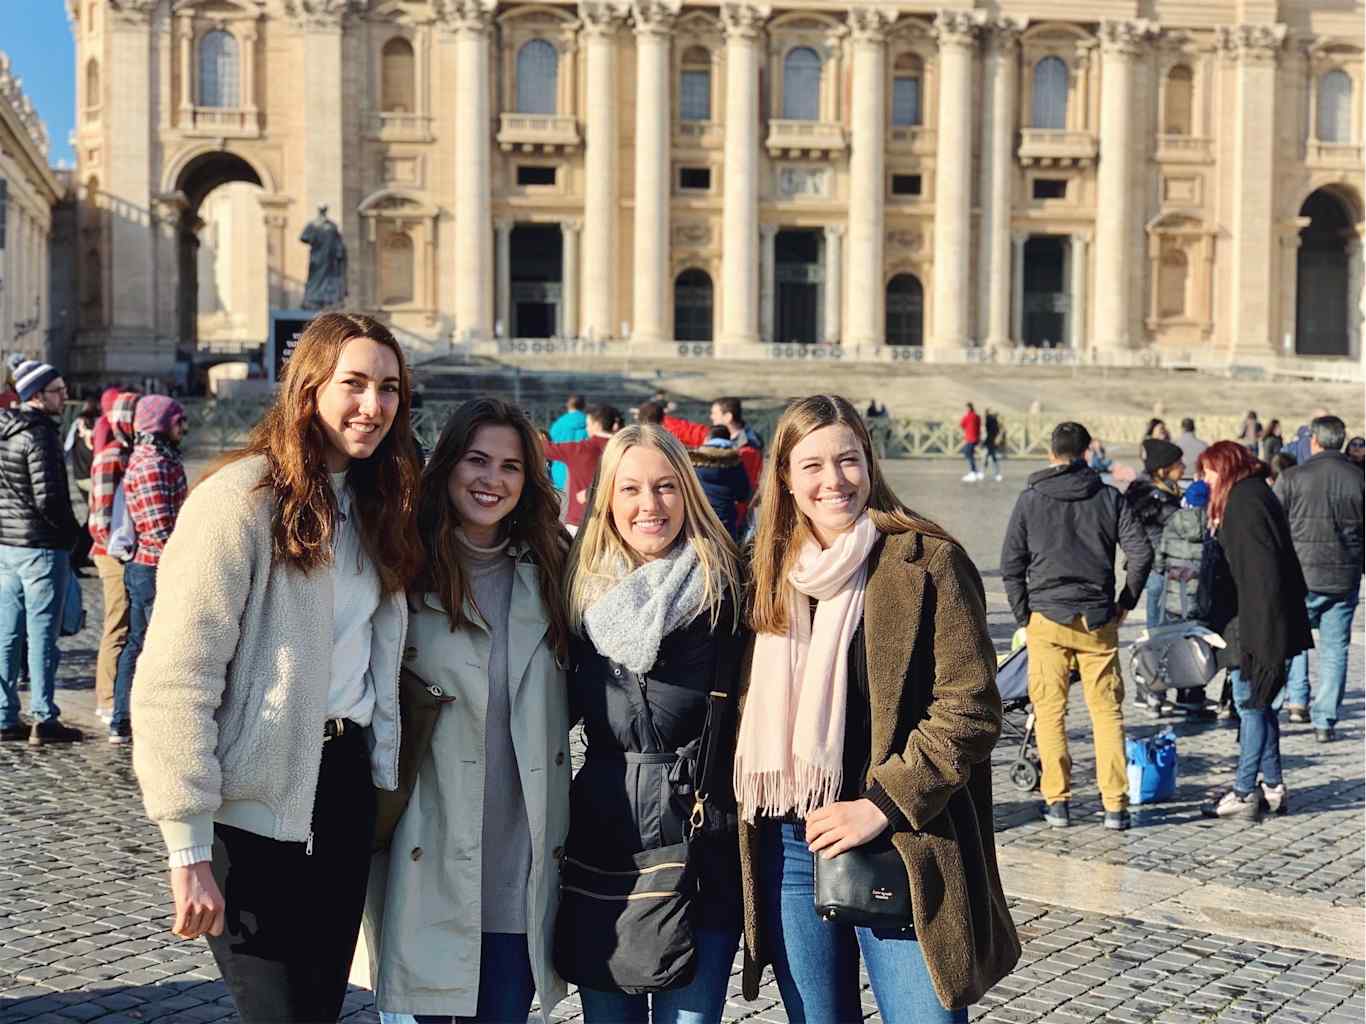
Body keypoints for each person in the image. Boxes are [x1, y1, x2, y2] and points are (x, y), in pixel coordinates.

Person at [130, 313, 423, 1023]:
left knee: (319, 1011)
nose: (373, 405)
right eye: (354, 384)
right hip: (250, 807)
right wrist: (187, 847)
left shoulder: (379, 506)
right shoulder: (238, 503)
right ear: (309, 388)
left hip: (345, 789)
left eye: (389, 388)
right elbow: (175, 678)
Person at [735, 394, 1018, 1022]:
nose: (833, 481)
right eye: (812, 466)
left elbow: (970, 707)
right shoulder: (763, 574)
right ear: (785, 477)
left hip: (903, 838)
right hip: (789, 841)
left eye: (848, 460)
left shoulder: (928, 560)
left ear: (870, 463)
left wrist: (881, 805)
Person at [366, 398, 571, 1023]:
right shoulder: (400, 566)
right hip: (423, 850)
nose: (492, 480)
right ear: (448, 464)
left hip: (518, 857)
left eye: (511, 467)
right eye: (477, 460)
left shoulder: (555, 569)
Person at [563, 423, 746, 1024]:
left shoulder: (728, 588)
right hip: (602, 836)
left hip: (701, 840)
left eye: (666, 486)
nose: (650, 505)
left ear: (688, 493)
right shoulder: (577, 591)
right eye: (631, 488)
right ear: (606, 500)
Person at [1000, 421, 1152, 830]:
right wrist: (1125, 603)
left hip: (1047, 618)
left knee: (1049, 712)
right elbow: (1141, 553)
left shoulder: (1031, 499)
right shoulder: (1109, 497)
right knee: (1107, 712)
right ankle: (1115, 805)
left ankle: (1058, 802)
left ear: (1051, 454)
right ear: (1087, 453)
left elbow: (1011, 564)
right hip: (1097, 619)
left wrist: (1024, 616)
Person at [1196, 442, 1312, 821]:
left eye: (1209, 472)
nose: (1205, 480)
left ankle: (1245, 790)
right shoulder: (1253, 493)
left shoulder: (1245, 503)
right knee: (1261, 706)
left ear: (1226, 468)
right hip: (1258, 621)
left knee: (1252, 706)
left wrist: (1260, 641)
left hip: (1255, 626)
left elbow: (1261, 577)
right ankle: (1274, 786)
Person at [0, 360, 84, 744]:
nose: (65, 397)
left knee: (8, 634)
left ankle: (5, 715)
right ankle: (44, 717)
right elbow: (49, 499)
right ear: (36, 395)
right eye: (58, 391)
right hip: (41, 548)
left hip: (8, 545)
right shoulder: (41, 434)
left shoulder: (6, 430)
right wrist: (72, 536)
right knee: (42, 636)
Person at [1275, 415, 1364, 743]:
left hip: (1301, 575)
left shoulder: (1292, 477)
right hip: (1343, 576)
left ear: (1313, 441)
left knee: (1288, 641)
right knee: (1335, 649)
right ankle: (1324, 719)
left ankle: (1281, 704)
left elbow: (1273, 525)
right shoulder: (1359, 479)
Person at [108, 396, 188, 745]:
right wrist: (183, 563)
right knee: (156, 646)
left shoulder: (156, 457)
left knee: (140, 643)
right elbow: (159, 529)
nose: (184, 428)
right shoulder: (153, 463)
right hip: (155, 566)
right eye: (178, 421)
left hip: (149, 564)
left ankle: (124, 719)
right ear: (161, 424)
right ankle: (133, 719)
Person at [1123, 438, 1188, 714]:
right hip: (1159, 571)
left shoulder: (1162, 491)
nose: (1184, 467)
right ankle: (1151, 692)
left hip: (1167, 570)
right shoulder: (1152, 498)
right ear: (1163, 469)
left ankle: (1157, 691)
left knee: (1165, 631)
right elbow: (1171, 531)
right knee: (1158, 633)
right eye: (1178, 464)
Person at [87, 391, 139, 724]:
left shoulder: (129, 453)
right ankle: (106, 699)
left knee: (128, 624)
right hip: (112, 553)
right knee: (117, 624)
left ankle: (119, 695)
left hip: (124, 552)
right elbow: (102, 518)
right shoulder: (112, 456)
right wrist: (120, 550)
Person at [540, 403, 623, 533]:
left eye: (588, 424)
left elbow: (544, 448)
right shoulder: (624, 450)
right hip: (615, 521)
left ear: (596, 425)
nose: (587, 429)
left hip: (580, 520)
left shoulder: (580, 449)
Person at [688, 425, 753, 539]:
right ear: (729, 439)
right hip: (726, 522)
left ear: (708, 438)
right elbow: (743, 494)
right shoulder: (735, 462)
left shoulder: (693, 461)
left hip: (699, 520)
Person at [548, 393, 588, 491]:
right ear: (584, 406)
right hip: (583, 475)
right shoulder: (590, 424)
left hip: (559, 474)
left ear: (568, 406)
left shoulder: (558, 425)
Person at [960, 402, 983, 482]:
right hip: (975, 438)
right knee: (969, 454)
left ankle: (973, 472)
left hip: (970, 438)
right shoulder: (977, 416)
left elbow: (962, 424)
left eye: (967, 408)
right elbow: (979, 426)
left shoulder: (968, 416)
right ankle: (975, 471)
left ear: (969, 408)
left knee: (968, 454)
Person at [981, 409, 1005, 481]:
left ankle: (995, 474)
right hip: (989, 442)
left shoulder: (993, 422)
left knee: (990, 458)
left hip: (991, 442)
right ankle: (993, 473)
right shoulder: (991, 421)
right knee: (989, 458)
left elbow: (1000, 432)